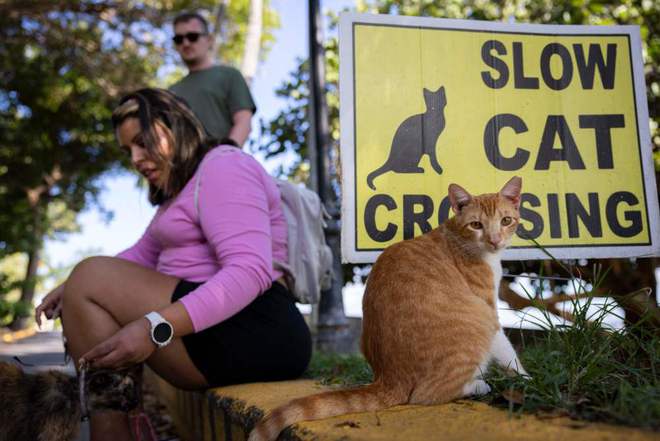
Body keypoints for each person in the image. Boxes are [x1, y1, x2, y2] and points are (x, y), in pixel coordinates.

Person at [35, 88, 312, 441]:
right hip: (213, 332)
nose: (135, 158)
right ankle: (114, 430)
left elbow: (251, 270)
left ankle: (112, 434)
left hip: (259, 328)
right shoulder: (178, 194)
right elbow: (138, 257)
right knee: (85, 277)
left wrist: (155, 327)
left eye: (142, 142)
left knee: (89, 276)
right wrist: (68, 288)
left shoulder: (224, 165)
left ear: (174, 126)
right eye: (128, 150)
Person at [169, 11, 256, 147]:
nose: (185, 43)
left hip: (223, 162)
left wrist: (226, 154)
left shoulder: (229, 75)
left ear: (209, 40)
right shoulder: (170, 92)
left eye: (192, 37)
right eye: (179, 39)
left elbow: (244, 121)